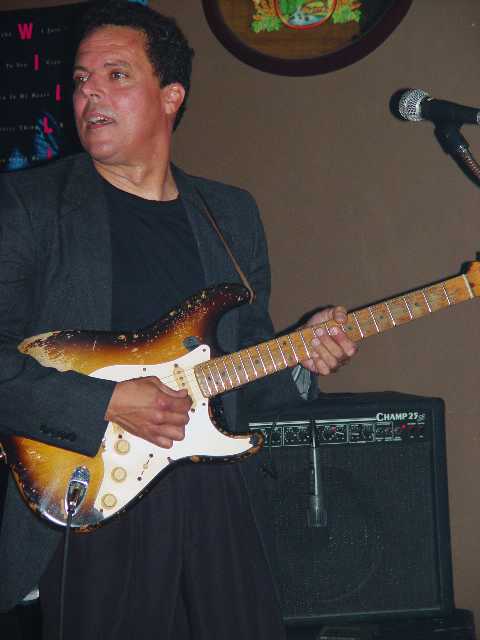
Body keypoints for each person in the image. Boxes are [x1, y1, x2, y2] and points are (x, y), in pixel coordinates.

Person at [0, 2, 357, 638]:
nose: (90, 94)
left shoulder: (231, 214)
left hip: (221, 496)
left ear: (171, 96)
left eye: (116, 75)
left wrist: (301, 357)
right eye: (81, 79)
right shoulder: (28, 206)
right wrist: (107, 401)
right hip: (94, 497)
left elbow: (246, 367)